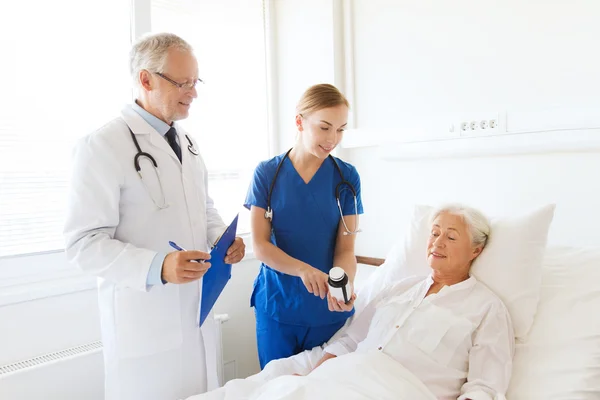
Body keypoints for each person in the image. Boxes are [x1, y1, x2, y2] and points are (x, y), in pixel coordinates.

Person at [63, 33, 245, 400]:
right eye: (182, 83)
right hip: (144, 322)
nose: (193, 92)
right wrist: (157, 267)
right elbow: (83, 243)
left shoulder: (188, 144)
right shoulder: (101, 145)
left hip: (197, 308)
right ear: (146, 80)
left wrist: (222, 236)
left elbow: (202, 207)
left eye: (196, 82)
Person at [311, 205, 515, 400]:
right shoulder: (396, 289)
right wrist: (310, 380)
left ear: (475, 251)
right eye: (434, 233)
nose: (438, 242)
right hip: (339, 382)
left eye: (451, 237)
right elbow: (349, 341)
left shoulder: (487, 308)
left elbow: (484, 388)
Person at [244, 83, 363, 369]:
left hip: (327, 312)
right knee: (277, 389)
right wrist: (302, 270)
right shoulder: (267, 173)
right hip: (277, 306)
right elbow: (259, 245)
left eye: (341, 129)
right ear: (299, 122)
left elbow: (346, 250)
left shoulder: (346, 178)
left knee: (324, 390)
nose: (333, 138)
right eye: (324, 127)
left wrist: (342, 286)